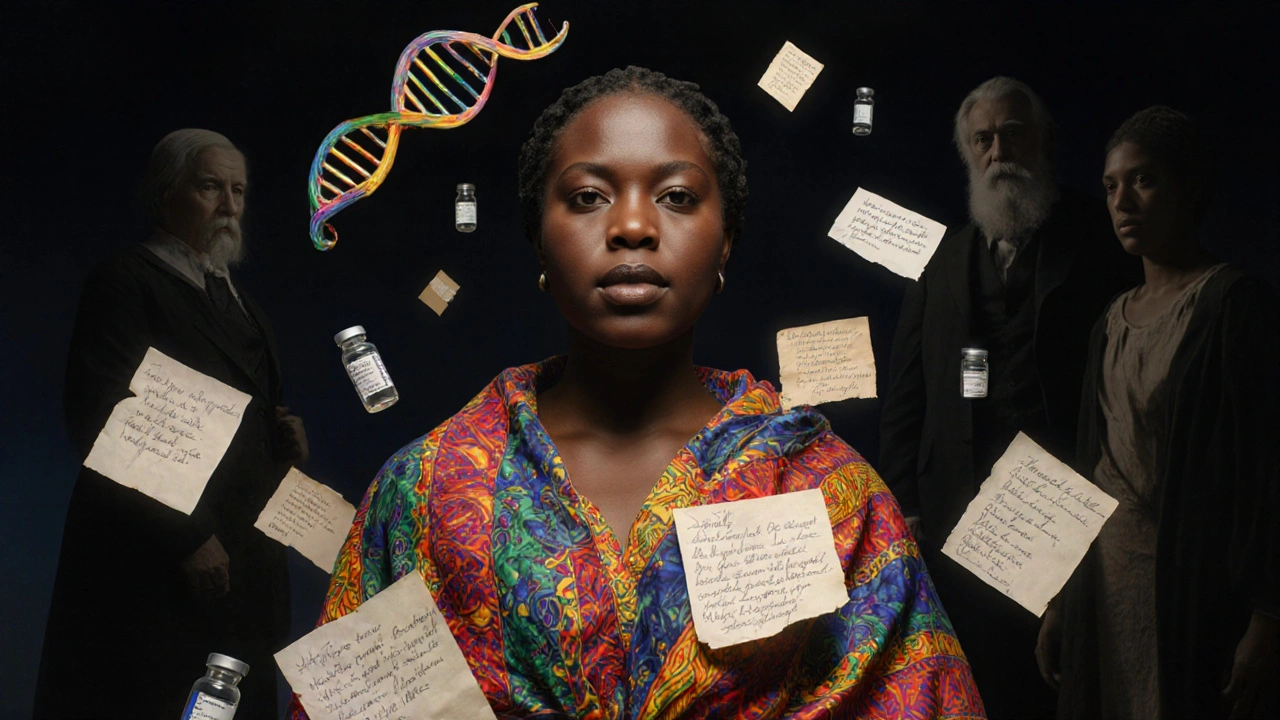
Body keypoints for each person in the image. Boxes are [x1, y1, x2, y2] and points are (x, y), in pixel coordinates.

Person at [290, 67, 984, 719]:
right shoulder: (425, 490)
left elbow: (921, 696)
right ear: (538, 239)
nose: (631, 226)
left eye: (677, 197)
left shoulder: (826, 489)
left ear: (726, 243)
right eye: (588, 196)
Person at [878, 76, 1139, 718]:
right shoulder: (942, 260)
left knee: (1064, 689)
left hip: (1068, 514)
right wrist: (904, 504)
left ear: (1044, 142)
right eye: (983, 139)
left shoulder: (1100, 236)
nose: (1000, 151)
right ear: (969, 153)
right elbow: (907, 391)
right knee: (976, 687)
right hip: (955, 519)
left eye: (1013, 134)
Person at [35, 129, 308, 719]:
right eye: (211, 187)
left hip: (244, 571)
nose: (230, 207)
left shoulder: (242, 304)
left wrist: (285, 443)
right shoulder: (125, 281)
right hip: (157, 566)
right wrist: (185, 538)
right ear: (166, 195)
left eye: (238, 191)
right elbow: (102, 419)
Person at [1036, 106, 1280, 720]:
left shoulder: (1233, 306)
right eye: (1111, 186)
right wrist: (1062, 598)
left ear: (1188, 186)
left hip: (1189, 586)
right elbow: (1091, 468)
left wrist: (1269, 617)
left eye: (1143, 180)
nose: (1123, 202)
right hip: (1103, 581)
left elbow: (1269, 472)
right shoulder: (1110, 323)